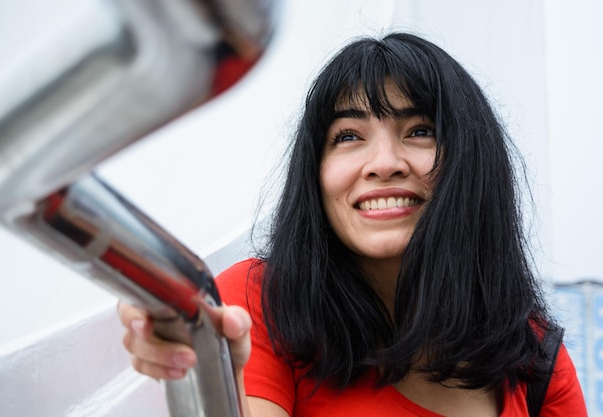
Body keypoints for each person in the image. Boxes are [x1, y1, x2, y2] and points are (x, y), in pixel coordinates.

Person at [117, 32, 587, 417]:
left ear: (472, 162)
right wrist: (211, 376)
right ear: (314, 174)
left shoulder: (532, 350)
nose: (384, 163)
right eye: (348, 136)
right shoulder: (257, 303)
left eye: (419, 130)